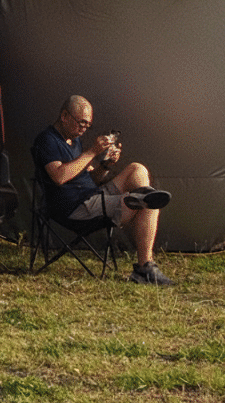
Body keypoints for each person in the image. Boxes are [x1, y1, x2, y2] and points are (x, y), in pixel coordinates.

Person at [33, 95, 174, 286]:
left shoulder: (75, 141)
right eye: (81, 123)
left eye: (88, 125)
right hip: (75, 208)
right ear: (64, 116)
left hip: (92, 195)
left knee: (137, 169)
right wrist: (92, 151)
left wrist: (105, 165)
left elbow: (91, 179)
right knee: (150, 203)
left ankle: (141, 197)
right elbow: (59, 177)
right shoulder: (47, 140)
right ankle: (145, 267)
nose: (84, 129)